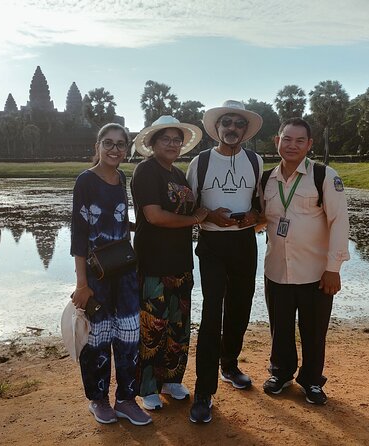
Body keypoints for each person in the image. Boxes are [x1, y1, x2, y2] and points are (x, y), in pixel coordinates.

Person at [260, 117, 350, 405]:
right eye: (287, 139)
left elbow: (339, 223)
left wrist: (333, 269)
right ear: (277, 141)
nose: (292, 145)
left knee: (313, 331)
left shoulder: (324, 175)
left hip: (315, 273)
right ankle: (281, 373)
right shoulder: (266, 179)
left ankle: (312, 380)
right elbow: (262, 220)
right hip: (276, 269)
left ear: (309, 144)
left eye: (300, 140)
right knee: (280, 328)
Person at [185, 100, 264, 423]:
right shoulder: (200, 163)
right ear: (216, 128)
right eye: (226, 123)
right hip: (212, 245)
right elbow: (188, 208)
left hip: (244, 243)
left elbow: (261, 206)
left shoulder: (255, 161)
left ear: (245, 130)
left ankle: (229, 363)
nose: (232, 129)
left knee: (241, 308)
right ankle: (204, 391)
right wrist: (209, 217)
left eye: (238, 124)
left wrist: (252, 218)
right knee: (211, 312)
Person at [70, 123, 152, 426]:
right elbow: (79, 236)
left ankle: (126, 399)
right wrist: (82, 283)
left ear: (126, 148)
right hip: (97, 276)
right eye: (108, 143)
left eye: (120, 144)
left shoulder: (121, 179)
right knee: (97, 339)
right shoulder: (86, 182)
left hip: (125, 273)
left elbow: (119, 224)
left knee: (130, 337)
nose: (115, 149)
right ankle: (99, 399)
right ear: (97, 147)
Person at [130, 115, 209, 411]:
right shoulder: (146, 171)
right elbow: (154, 216)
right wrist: (194, 220)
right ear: (152, 143)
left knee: (178, 324)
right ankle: (147, 386)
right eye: (166, 139)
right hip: (153, 263)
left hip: (180, 261)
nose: (173, 144)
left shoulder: (177, 174)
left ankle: (171, 378)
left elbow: (194, 208)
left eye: (177, 140)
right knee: (153, 326)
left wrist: (206, 215)